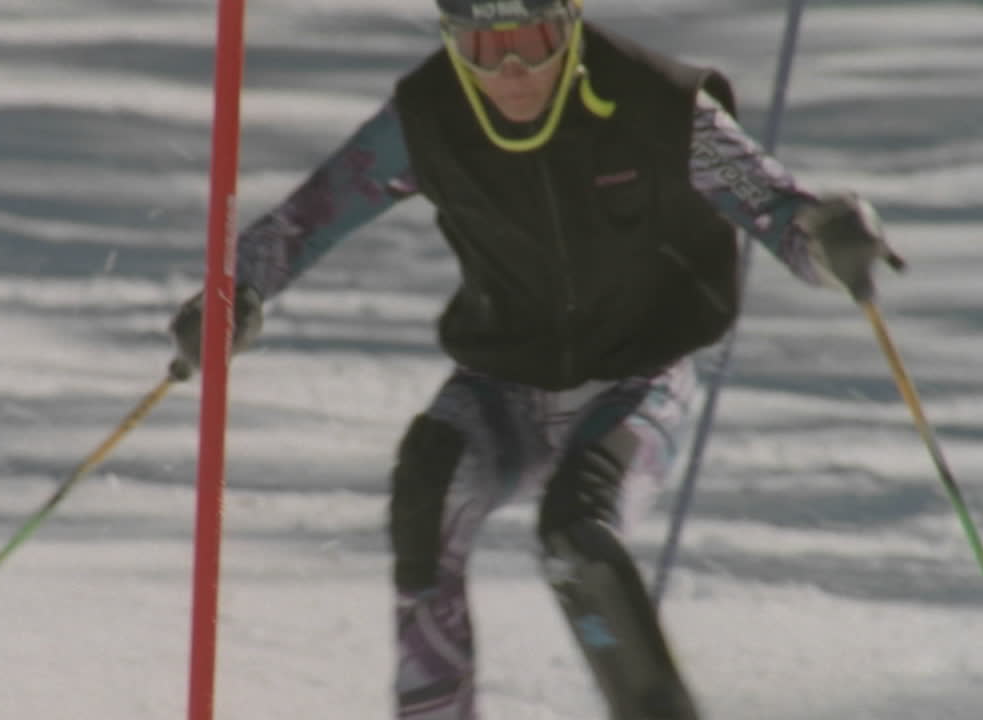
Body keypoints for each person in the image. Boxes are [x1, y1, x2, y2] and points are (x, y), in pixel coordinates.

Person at [169, 1, 902, 718]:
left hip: (637, 383)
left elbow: (777, 211)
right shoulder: (427, 116)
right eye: (484, 49)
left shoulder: (660, 106)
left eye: (534, 42)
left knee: (578, 535)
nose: (512, 70)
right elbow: (303, 223)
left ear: (570, 25)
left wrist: (830, 238)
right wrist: (238, 293)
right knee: (427, 491)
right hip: (502, 388)